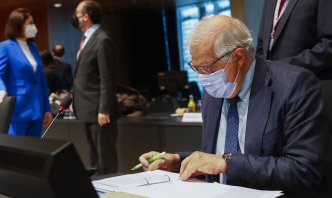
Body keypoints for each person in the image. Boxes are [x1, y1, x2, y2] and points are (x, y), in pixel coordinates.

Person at [138, 15, 329, 196]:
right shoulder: (212, 95)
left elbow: (304, 172)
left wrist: (227, 163)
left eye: (207, 68)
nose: (203, 78)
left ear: (238, 57)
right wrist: (177, 161)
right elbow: (215, 161)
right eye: (196, 69)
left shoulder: (294, 86)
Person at [72, 0, 118, 175]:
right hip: (86, 109)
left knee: (106, 161)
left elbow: (108, 78)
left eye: (77, 13)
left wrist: (104, 109)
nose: (75, 17)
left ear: (86, 16)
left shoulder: (102, 39)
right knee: (94, 160)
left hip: (100, 111)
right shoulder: (86, 39)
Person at [0, 8, 52, 137]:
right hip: (18, 110)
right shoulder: (5, 47)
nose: (33, 27)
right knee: (17, 154)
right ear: (18, 25)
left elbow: (40, 80)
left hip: (37, 109)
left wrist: (47, 108)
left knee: (34, 153)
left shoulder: (33, 47)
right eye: (30, 24)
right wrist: (0, 90)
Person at [256, 0, 332, 80]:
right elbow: (262, 44)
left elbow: (329, 45)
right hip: (271, 85)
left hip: (308, 84)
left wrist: (284, 66)